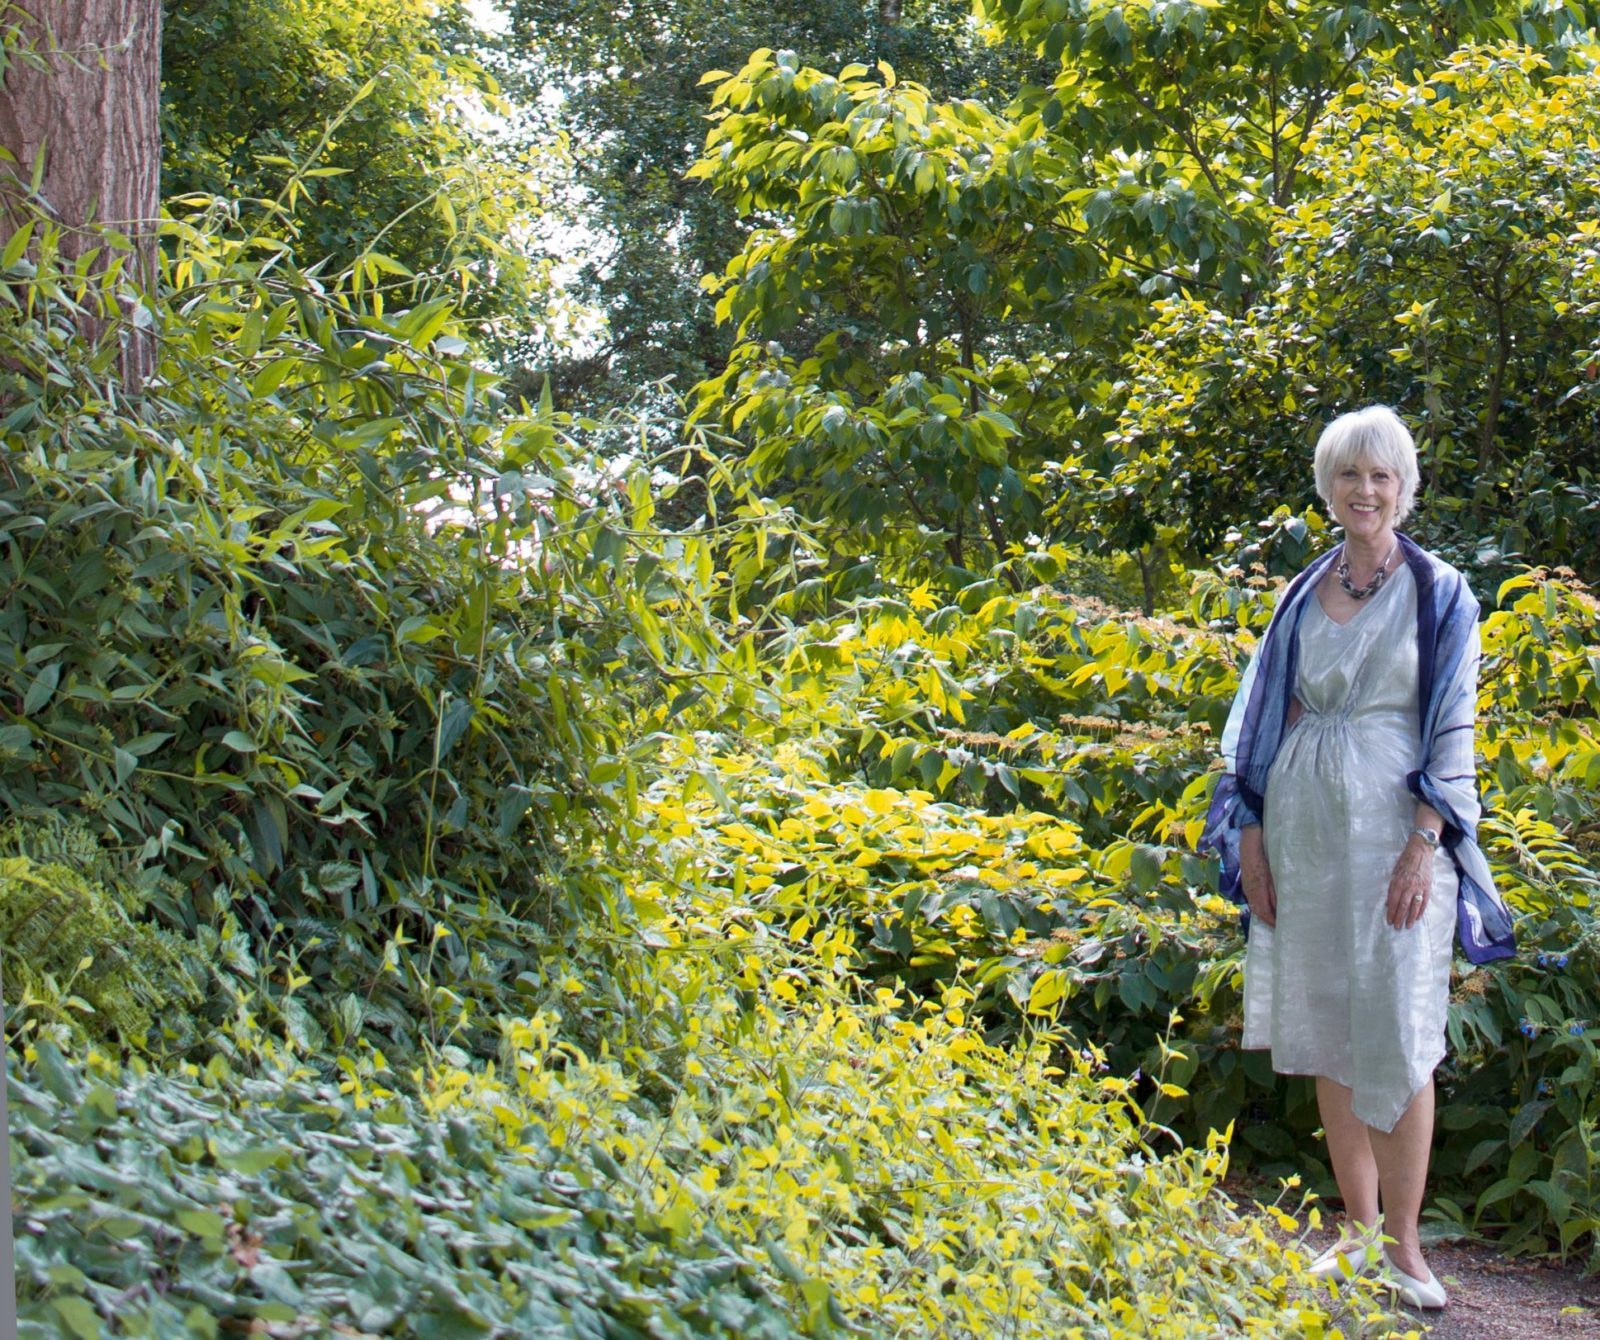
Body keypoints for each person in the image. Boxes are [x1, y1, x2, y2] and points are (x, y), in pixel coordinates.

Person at [1202, 405, 1515, 1312]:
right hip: (1303, 837)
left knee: (1403, 1034)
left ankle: (1409, 1249)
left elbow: (1453, 728)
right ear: (1327, 488)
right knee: (1330, 1027)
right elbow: (1260, 722)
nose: (1365, 491)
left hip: (1394, 839)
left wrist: (1426, 844)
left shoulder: (1441, 591)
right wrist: (1250, 836)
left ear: (1404, 487)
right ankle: (1359, 1233)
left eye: (1381, 476)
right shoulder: (1299, 593)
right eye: (1349, 475)